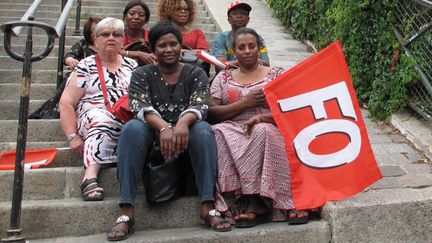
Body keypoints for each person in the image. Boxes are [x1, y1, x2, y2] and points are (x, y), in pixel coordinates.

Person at [106, 21, 231, 241]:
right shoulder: (142, 74)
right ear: (153, 49)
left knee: (203, 130)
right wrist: (164, 127)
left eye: (173, 44)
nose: (169, 49)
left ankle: (207, 205)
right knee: (131, 129)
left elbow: (202, 105)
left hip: (188, 130)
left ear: (181, 46)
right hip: (152, 131)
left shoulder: (195, 73)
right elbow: (139, 106)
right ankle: (126, 210)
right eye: (162, 45)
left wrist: (182, 124)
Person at [209, 27, 309, 228]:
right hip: (234, 127)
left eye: (251, 46)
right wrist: (245, 104)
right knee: (217, 132)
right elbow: (211, 112)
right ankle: (248, 201)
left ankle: (277, 202)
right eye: (241, 47)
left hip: (270, 124)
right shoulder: (223, 77)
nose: (247, 51)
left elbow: (291, 109)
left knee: (262, 131)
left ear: (259, 48)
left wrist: (263, 117)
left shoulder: (275, 74)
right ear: (233, 51)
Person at [59, 17, 137, 201]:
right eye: (105, 34)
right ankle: (90, 176)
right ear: (95, 40)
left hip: (124, 114)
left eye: (116, 34)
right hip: (93, 115)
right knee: (101, 119)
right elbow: (66, 102)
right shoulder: (85, 66)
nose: (111, 38)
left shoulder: (132, 66)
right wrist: (72, 136)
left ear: (123, 40)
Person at [210, 1, 270, 72]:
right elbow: (220, 66)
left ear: (248, 19)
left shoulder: (257, 38)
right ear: (229, 20)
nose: (239, 16)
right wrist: (245, 61)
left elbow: (267, 64)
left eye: (243, 13)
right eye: (234, 13)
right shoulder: (221, 38)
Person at [120, 0, 157, 65]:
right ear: (125, 16)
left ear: (146, 20)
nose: (136, 17)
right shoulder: (117, 35)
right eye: (132, 13)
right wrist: (139, 54)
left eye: (141, 15)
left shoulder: (152, 36)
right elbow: (112, 53)